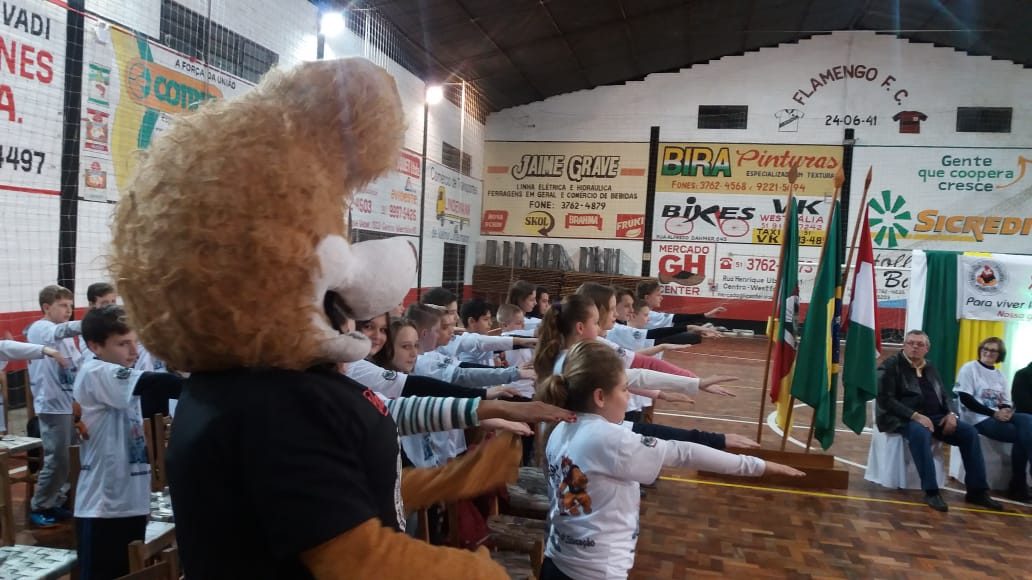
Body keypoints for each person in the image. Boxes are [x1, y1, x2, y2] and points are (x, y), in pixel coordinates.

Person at [539, 341, 802, 579]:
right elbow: (684, 453)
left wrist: (694, 385)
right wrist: (758, 466)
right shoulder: (606, 438)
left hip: (558, 561)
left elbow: (638, 380)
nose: (629, 396)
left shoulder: (562, 426)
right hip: (593, 571)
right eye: (625, 389)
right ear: (599, 396)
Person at [73, 305, 183, 579]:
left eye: (135, 342)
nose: (134, 351)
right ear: (95, 346)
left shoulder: (117, 374)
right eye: (123, 344)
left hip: (129, 500)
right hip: (103, 507)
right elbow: (156, 383)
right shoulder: (95, 371)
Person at [876, 330, 1003, 512]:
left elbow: (944, 394)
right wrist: (916, 416)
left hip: (936, 417)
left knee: (970, 433)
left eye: (920, 344)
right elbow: (886, 399)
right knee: (921, 433)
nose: (914, 347)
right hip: (904, 417)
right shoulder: (890, 366)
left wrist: (951, 414)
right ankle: (931, 491)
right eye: (911, 343)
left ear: (926, 349)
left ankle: (977, 491)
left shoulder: (930, 366)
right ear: (904, 345)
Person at [26, 284, 85, 527]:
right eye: (62, 305)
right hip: (51, 405)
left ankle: (56, 501)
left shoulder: (66, 338)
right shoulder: (41, 328)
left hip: (67, 403)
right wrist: (92, 323)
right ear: (46, 307)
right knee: (57, 458)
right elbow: (61, 330)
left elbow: (76, 366)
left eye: (71, 306)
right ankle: (40, 505)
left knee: (71, 457)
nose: (68, 310)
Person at [955, 337, 1032, 501]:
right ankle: (1018, 484)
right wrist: (993, 413)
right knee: (1021, 434)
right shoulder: (969, 369)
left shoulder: (1000, 375)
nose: (988, 353)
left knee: (1027, 420)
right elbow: (966, 399)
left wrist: (1006, 411)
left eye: (993, 350)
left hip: (997, 416)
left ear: (999, 355)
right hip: (977, 417)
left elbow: (1005, 401)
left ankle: (1018, 484)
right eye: (985, 349)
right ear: (980, 350)